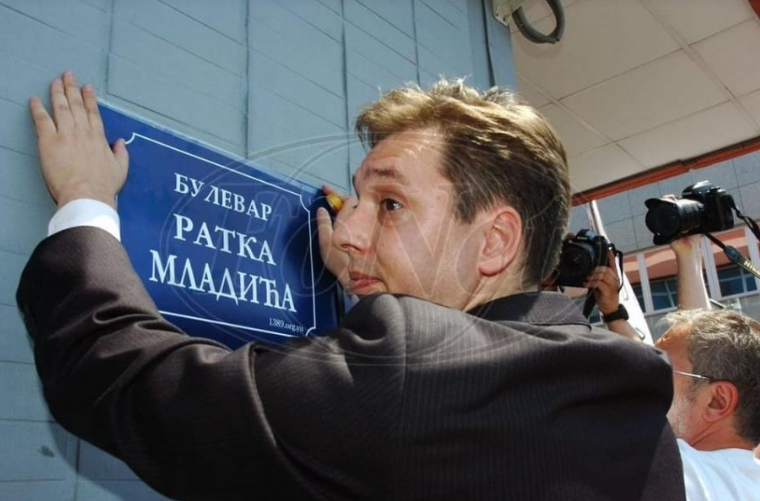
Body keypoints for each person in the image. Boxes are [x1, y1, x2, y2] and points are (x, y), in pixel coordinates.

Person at [16, 71, 686, 500]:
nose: (347, 234)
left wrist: (85, 201)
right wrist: (371, 295)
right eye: (354, 200)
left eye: (389, 203)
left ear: (494, 242)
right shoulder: (630, 407)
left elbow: (124, 378)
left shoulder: (414, 366)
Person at [590, 235, 760, 499]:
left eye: (662, 367)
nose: (646, 372)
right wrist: (614, 314)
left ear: (717, 401)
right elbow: (702, 362)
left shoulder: (667, 470)